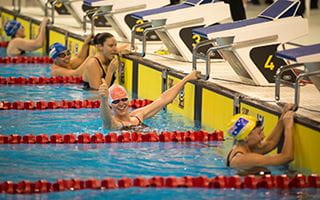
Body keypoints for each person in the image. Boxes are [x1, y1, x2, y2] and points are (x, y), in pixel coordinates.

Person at [98, 70, 201, 130]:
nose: (121, 104)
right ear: (110, 105)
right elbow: (106, 118)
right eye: (116, 101)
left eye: (124, 99)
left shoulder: (138, 115)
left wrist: (186, 79)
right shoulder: (114, 124)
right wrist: (103, 99)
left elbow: (164, 99)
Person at [226, 104, 295, 171]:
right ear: (246, 137)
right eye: (259, 133)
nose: (263, 136)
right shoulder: (244, 159)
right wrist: (288, 127)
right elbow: (286, 157)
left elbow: (270, 142)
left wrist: (283, 116)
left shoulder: (243, 149)